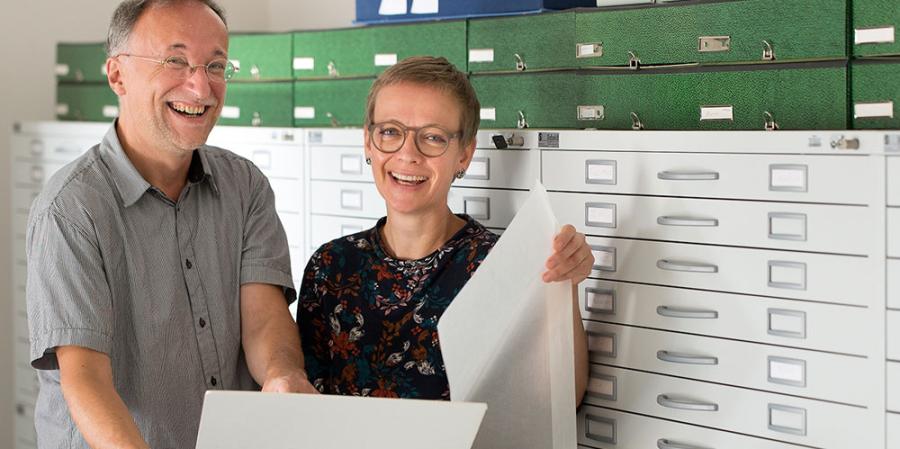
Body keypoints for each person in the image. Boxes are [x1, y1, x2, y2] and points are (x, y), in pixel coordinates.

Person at [25, 1, 315, 448]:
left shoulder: (246, 186)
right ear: (117, 76)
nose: (200, 87)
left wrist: (282, 374)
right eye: (175, 61)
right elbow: (85, 380)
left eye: (215, 65)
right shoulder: (70, 209)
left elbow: (263, 320)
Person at [297, 56, 591, 402]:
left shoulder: (498, 264)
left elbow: (560, 399)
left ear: (465, 154)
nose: (408, 154)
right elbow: (306, 400)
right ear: (368, 141)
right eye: (390, 132)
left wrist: (565, 284)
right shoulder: (331, 266)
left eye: (433, 138)